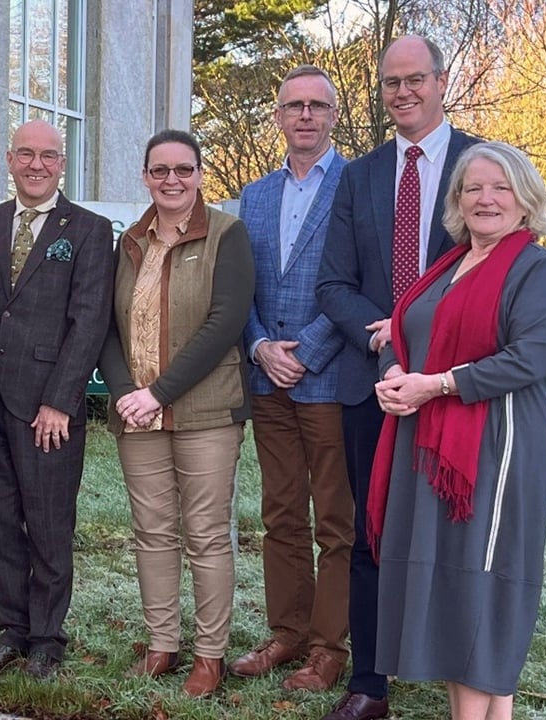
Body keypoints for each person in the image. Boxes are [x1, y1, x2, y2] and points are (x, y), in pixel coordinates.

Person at [369, 141, 546, 719]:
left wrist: (432, 386)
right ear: (456, 201)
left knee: (482, 582)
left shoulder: (538, 269)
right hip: (432, 446)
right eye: (472, 188)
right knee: (456, 586)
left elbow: (526, 359)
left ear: (525, 199)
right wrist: (393, 375)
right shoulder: (449, 265)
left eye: (500, 187)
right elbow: (403, 335)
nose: (485, 198)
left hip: (496, 450)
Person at [316, 35, 481, 720]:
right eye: (391, 83)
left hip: (452, 384)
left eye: (416, 79)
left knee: (450, 534)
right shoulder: (359, 176)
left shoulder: (483, 164)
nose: (403, 92)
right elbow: (333, 282)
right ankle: (371, 682)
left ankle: (461, 674)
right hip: (372, 382)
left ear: (442, 82)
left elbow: (494, 267)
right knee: (371, 533)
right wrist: (384, 330)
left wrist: (420, 329)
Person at [99, 129, 255, 698]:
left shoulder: (227, 234)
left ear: (199, 174)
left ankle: (209, 655)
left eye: (183, 170)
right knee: (152, 532)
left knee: (208, 535)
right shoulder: (131, 240)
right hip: (136, 414)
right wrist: (122, 390)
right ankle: (162, 643)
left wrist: (158, 392)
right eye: (160, 170)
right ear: (144, 175)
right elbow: (107, 323)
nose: (172, 180)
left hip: (207, 410)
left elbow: (225, 323)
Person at [0, 120, 115, 680]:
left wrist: (61, 401)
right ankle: (12, 630)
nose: (36, 164)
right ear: (9, 159)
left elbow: (89, 320)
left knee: (49, 524)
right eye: (25, 153)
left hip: (48, 409)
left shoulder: (90, 230)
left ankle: (48, 639)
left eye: (47, 155)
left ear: (61, 163)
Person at [232, 65, 353, 692]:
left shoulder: (356, 185)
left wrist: (305, 350)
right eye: (293, 106)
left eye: (317, 105)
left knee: (335, 521)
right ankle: (288, 632)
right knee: (281, 513)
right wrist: (257, 346)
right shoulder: (253, 195)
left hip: (327, 377)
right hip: (266, 381)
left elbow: (360, 280)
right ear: (278, 116)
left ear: (333, 115)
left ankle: (329, 646)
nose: (305, 115)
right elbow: (240, 284)